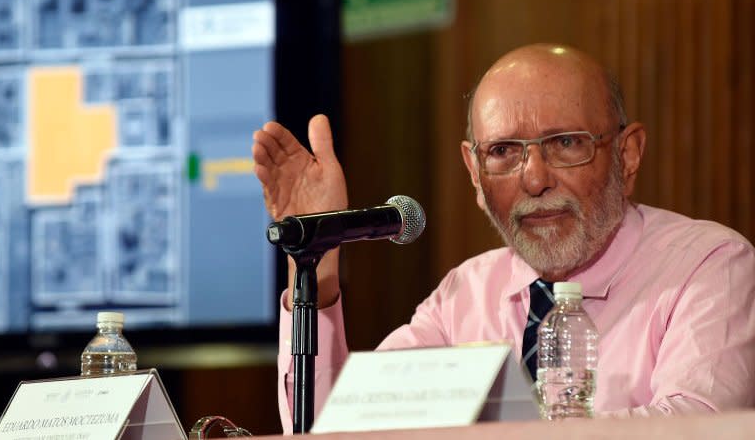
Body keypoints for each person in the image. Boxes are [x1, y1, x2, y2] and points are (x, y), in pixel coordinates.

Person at [252, 43, 755, 433]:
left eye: (566, 144)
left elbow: (696, 426)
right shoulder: (464, 296)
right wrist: (314, 264)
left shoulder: (709, 266)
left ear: (627, 154)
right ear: (474, 172)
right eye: (504, 152)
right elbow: (335, 429)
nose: (534, 179)